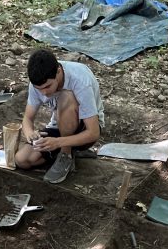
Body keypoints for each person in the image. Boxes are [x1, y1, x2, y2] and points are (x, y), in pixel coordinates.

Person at [14, 49, 104, 184]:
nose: (44, 93)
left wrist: (57, 142)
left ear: (58, 71)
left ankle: (66, 153)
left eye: (48, 86)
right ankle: (72, 150)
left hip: (85, 128)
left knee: (66, 96)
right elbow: (27, 119)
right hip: (59, 127)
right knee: (23, 160)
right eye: (39, 89)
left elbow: (93, 133)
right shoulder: (38, 82)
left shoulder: (80, 80)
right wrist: (30, 135)